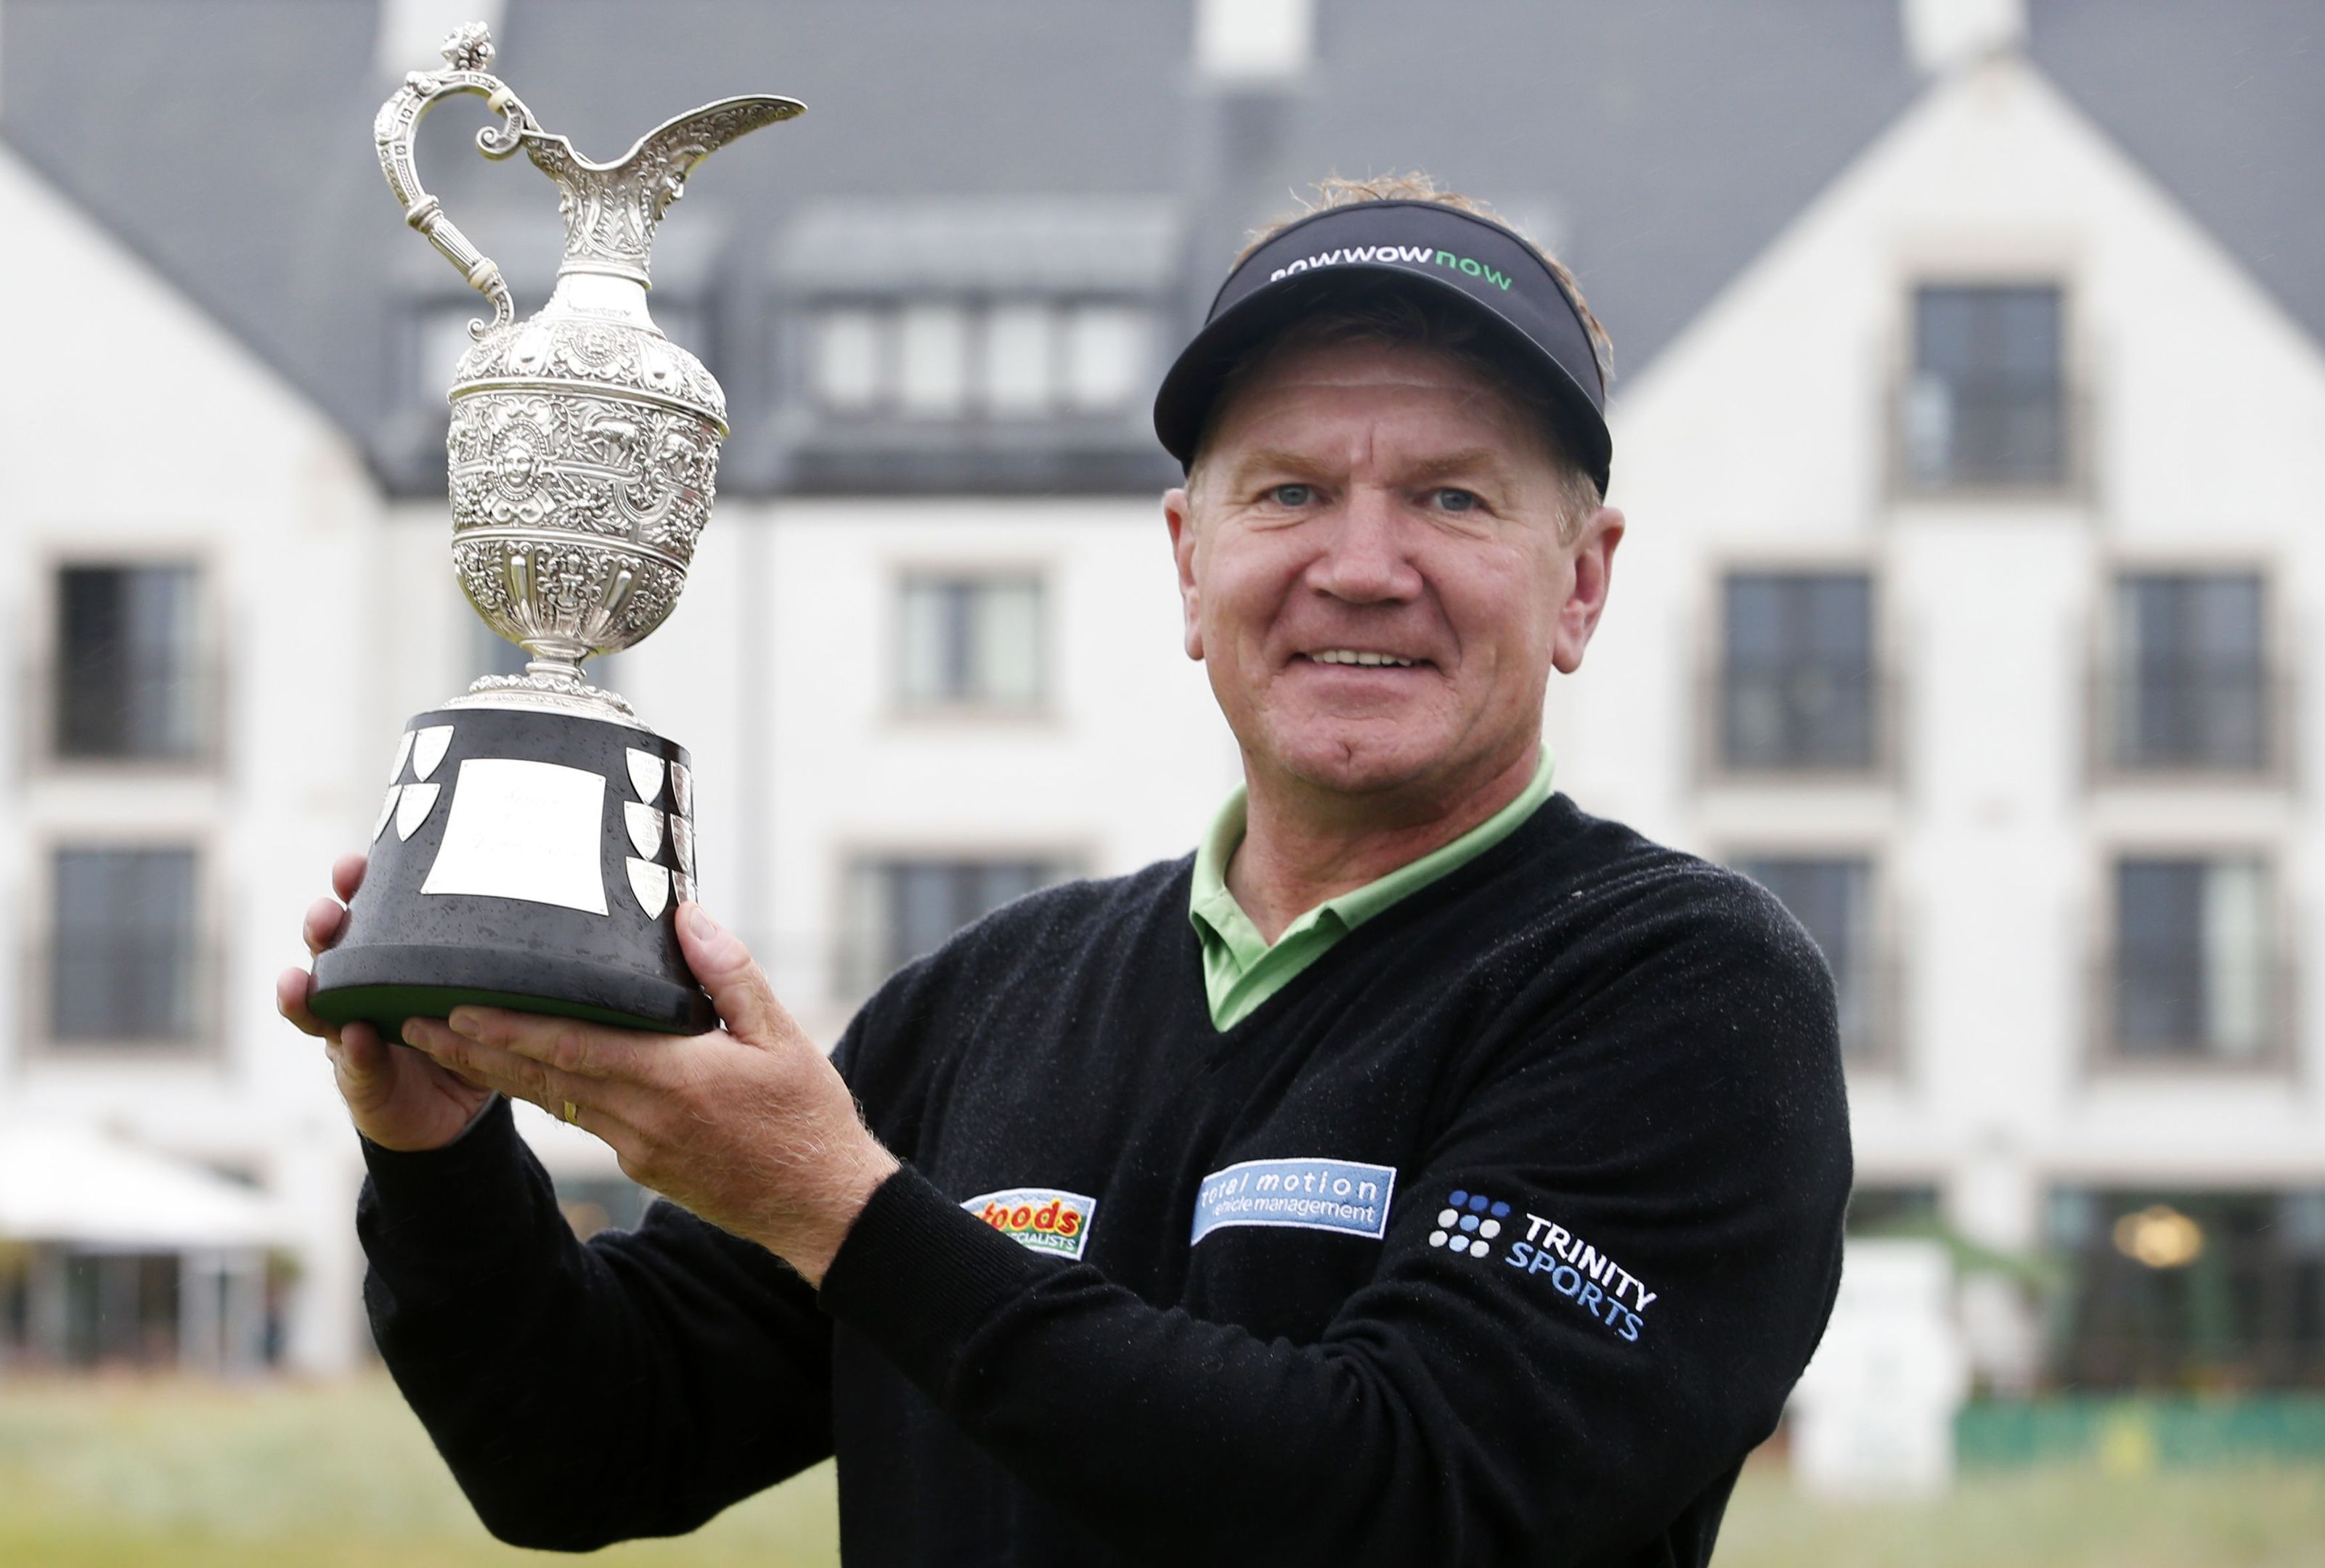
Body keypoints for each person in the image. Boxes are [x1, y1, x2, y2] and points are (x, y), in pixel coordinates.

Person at [280, 174, 1851, 1567]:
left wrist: (846, 1213)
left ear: (1577, 583)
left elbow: (1397, 1497)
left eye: (1449, 496)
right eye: (1289, 490)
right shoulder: (989, 999)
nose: (1360, 563)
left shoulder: (1682, 996)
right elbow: (581, 1451)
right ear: (1188, 559)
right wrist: (438, 1155)